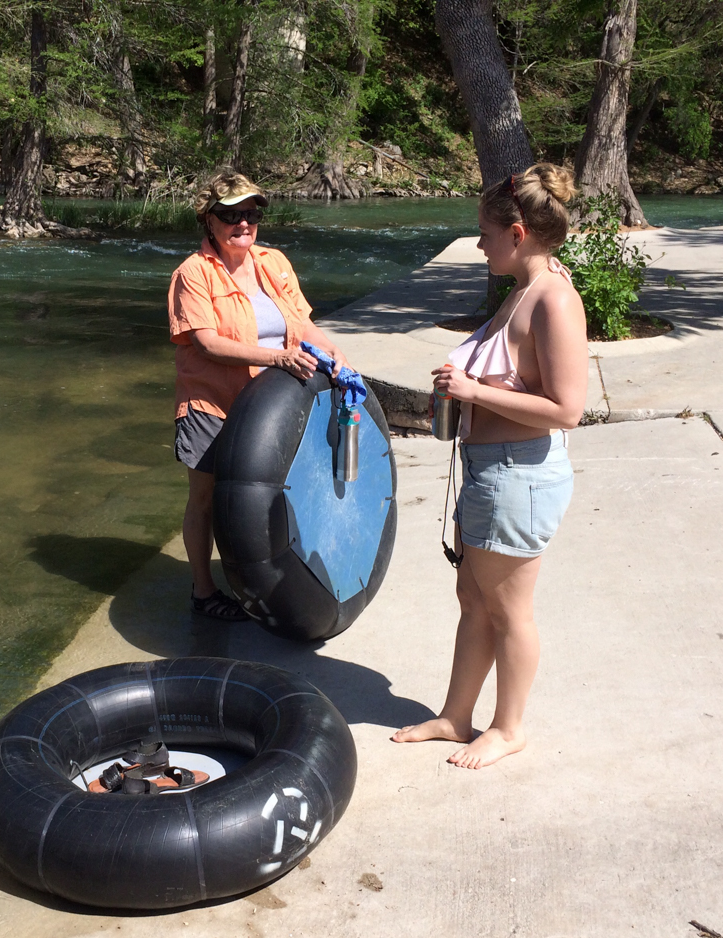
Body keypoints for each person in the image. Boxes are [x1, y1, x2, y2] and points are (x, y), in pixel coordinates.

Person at [392, 163, 588, 768]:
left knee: (508, 611)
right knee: (473, 600)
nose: (479, 244)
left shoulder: (554, 301)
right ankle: (456, 717)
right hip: (489, 471)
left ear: (518, 233)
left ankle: (509, 727)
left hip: (518, 476)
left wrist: (474, 393)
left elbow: (567, 409)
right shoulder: (526, 288)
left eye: (484, 233)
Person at [167, 168, 350, 620]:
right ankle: (204, 590)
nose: (242, 223)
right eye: (230, 214)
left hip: (274, 406)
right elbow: (207, 342)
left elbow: (300, 323)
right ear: (208, 219)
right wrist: (278, 360)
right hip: (214, 404)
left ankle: (271, 580)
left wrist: (333, 350)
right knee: (206, 499)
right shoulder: (193, 274)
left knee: (274, 493)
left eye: (250, 213)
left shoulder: (273, 262)